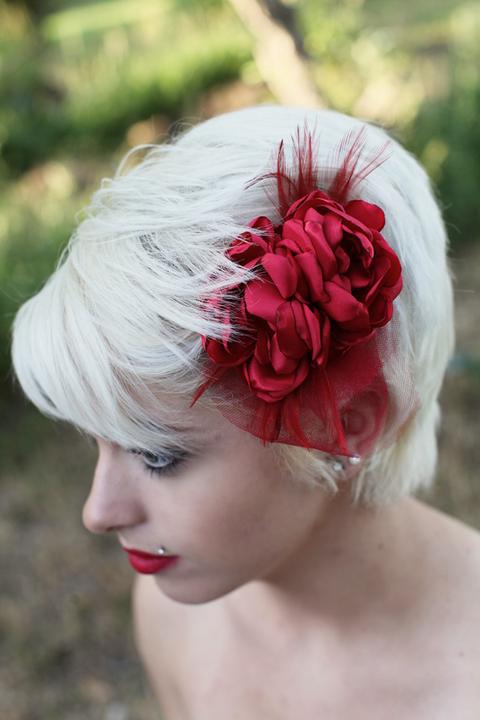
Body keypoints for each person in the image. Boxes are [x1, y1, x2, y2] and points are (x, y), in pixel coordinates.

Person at [11, 105, 480, 718]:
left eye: (158, 456)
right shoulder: (176, 618)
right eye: (99, 441)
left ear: (345, 423)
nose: (98, 512)